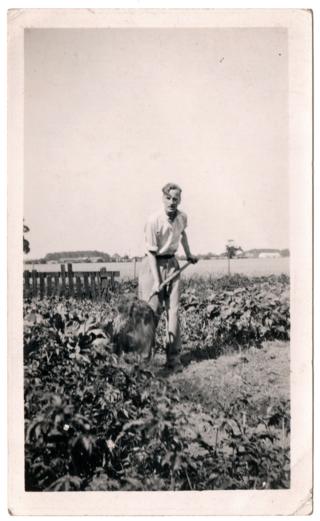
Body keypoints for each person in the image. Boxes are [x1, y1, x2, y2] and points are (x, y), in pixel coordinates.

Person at [138, 182, 198, 372]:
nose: (172, 202)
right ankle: (144, 361)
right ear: (163, 198)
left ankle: (173, 359)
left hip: (172, 265)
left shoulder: (182, 217)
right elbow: (151, 253)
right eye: (168, 198)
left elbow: (183, 235)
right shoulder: (153, 220)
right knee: (150, 313)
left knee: (174, 312)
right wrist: (156, 281)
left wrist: (188, 254)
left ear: (180, 200)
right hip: (152, 266)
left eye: (176, 199)